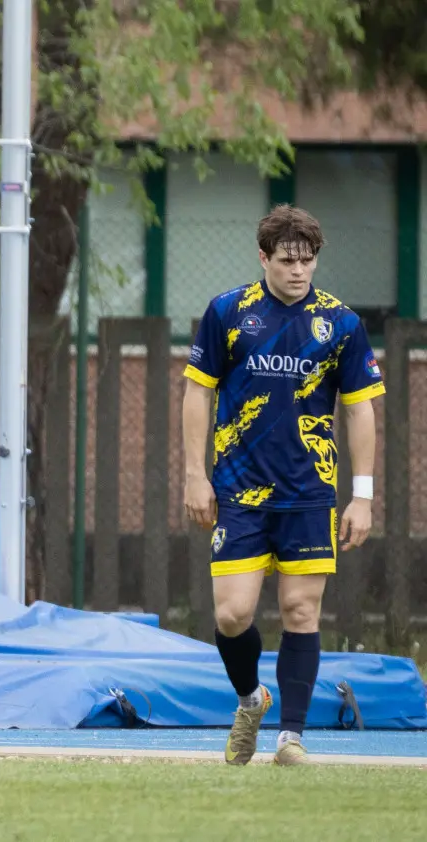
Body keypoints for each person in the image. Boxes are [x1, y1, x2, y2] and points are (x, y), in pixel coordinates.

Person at [182, 204, 384, 766]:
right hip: (239, 490)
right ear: (263, 257)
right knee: (232, 615)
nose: (299, 271)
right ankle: (252, 699)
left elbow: (360, 410)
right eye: (287, 261)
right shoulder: (228, 312)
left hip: (309, 495)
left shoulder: (341, 323)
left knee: (300, 611)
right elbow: (197, 392)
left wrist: (363, 496)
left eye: (308, 261)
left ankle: (290, 737)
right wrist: (195, 475)